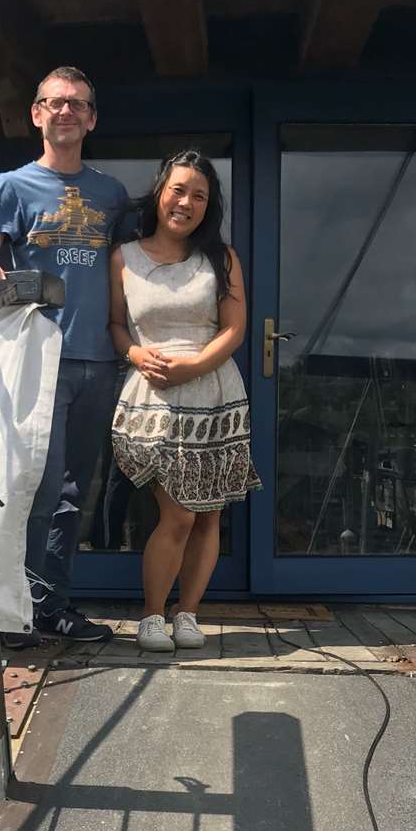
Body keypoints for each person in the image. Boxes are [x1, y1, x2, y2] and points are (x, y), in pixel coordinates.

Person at [0, 67, 128, 642]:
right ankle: (17, 612)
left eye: (78, 104)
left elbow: (131, 269)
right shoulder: (12, 185)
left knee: (77, 491)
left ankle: (53, 608)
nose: (66, 112)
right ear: (36, 113)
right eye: (55, 103)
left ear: (92, 119)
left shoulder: (111, 194)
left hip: (100, 361)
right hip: (39, 360)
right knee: (39, 484)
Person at [108, 150, 262, 652]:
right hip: (152, 396)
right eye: (179, 190)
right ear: (159, 193)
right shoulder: (124, 257)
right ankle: (153, 616)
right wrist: (133, 351)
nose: (187, 202)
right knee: (176, 513)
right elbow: (115, 325)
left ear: (208, 206)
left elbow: (235, 328)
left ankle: (188, 614)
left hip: (215, 392)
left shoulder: (222, 257)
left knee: (208, 512)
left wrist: (195, 366)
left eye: (200, 195)